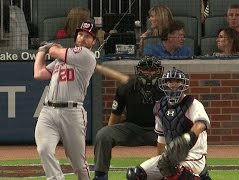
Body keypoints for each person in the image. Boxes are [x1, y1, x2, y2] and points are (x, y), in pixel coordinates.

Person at [33, 20, 97, 180]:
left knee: (78, 163)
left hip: (72, 112)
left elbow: (55, 52)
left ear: (93, 42)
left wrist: (51, 47)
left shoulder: (86, 56)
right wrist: (41, 51)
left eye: (88, 36)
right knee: (44, 149)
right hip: (48, 111)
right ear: (76, 37)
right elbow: (39, 74)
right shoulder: (62, 59)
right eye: (81, 34)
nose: (83, 38)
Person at [126, 67, 211, 180]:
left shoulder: (193, 104)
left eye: (177, 81)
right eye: (170, 81)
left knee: (171, 170)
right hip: (170, 157)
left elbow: (201, 124)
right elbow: (161, 137)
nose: (173, 85)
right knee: (135, 174)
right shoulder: (160, 107)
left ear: (183, 84)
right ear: (165, 84)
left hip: (193, 155)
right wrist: (159, 161)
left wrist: (187, 138)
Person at [93, 56, 165, 180]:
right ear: (138, 70)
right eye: (145, 69)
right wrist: (109, 136)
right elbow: (115, 114)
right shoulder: (126, 87)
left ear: (159, 71)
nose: (149, 73)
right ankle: (101, 175)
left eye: (153, 69)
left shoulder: (166, 89)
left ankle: (169, 173)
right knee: (103, 134)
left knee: (178, 139)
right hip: (132, 128)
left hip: (158, 131)